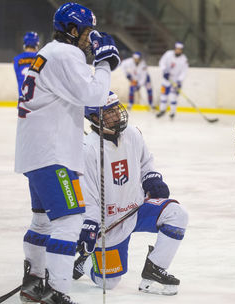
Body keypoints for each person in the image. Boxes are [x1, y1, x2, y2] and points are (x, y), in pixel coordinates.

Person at [14, 2, 120, 303]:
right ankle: (57, 292)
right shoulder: (66, 53)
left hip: (35, 152)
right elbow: (95, 95)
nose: (90, 39)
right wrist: (103, 64)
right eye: (87, 33)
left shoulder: (48, 53)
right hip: (53, 153)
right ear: (72, 31)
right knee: (70, 221)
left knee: (43, 222)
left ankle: (34, 280)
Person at [73, 91, 188, 296]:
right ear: (94, 117)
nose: (117, 115)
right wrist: (90, 223)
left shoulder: (133, 134)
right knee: (109, 282)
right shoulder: (87, 149)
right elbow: (86, 193)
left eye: (117, 108)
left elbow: (145, 161)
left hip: (136, 209)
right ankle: (87, 264)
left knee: (177, 214)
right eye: (109, 112)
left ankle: (154, 269)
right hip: (108, 222)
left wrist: (152, 178)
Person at [156, 42, 189, 119]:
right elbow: (162, 62)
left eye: (180, 49)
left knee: (173, 97)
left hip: (175, 81)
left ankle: (172, 113)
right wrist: (164, 71)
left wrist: (179, 81)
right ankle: (162, 110)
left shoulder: (184, 59)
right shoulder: (168, 54)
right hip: (166, 79)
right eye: (177, 49)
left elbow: (184, 71)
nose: (178, 51)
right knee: (163, 96)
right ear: (175, 48)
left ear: (182, 50)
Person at [13, 32, 40, 99]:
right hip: (37, 100)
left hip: (22, 101)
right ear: (37, 44)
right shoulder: (40, 58)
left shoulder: (16, 59)